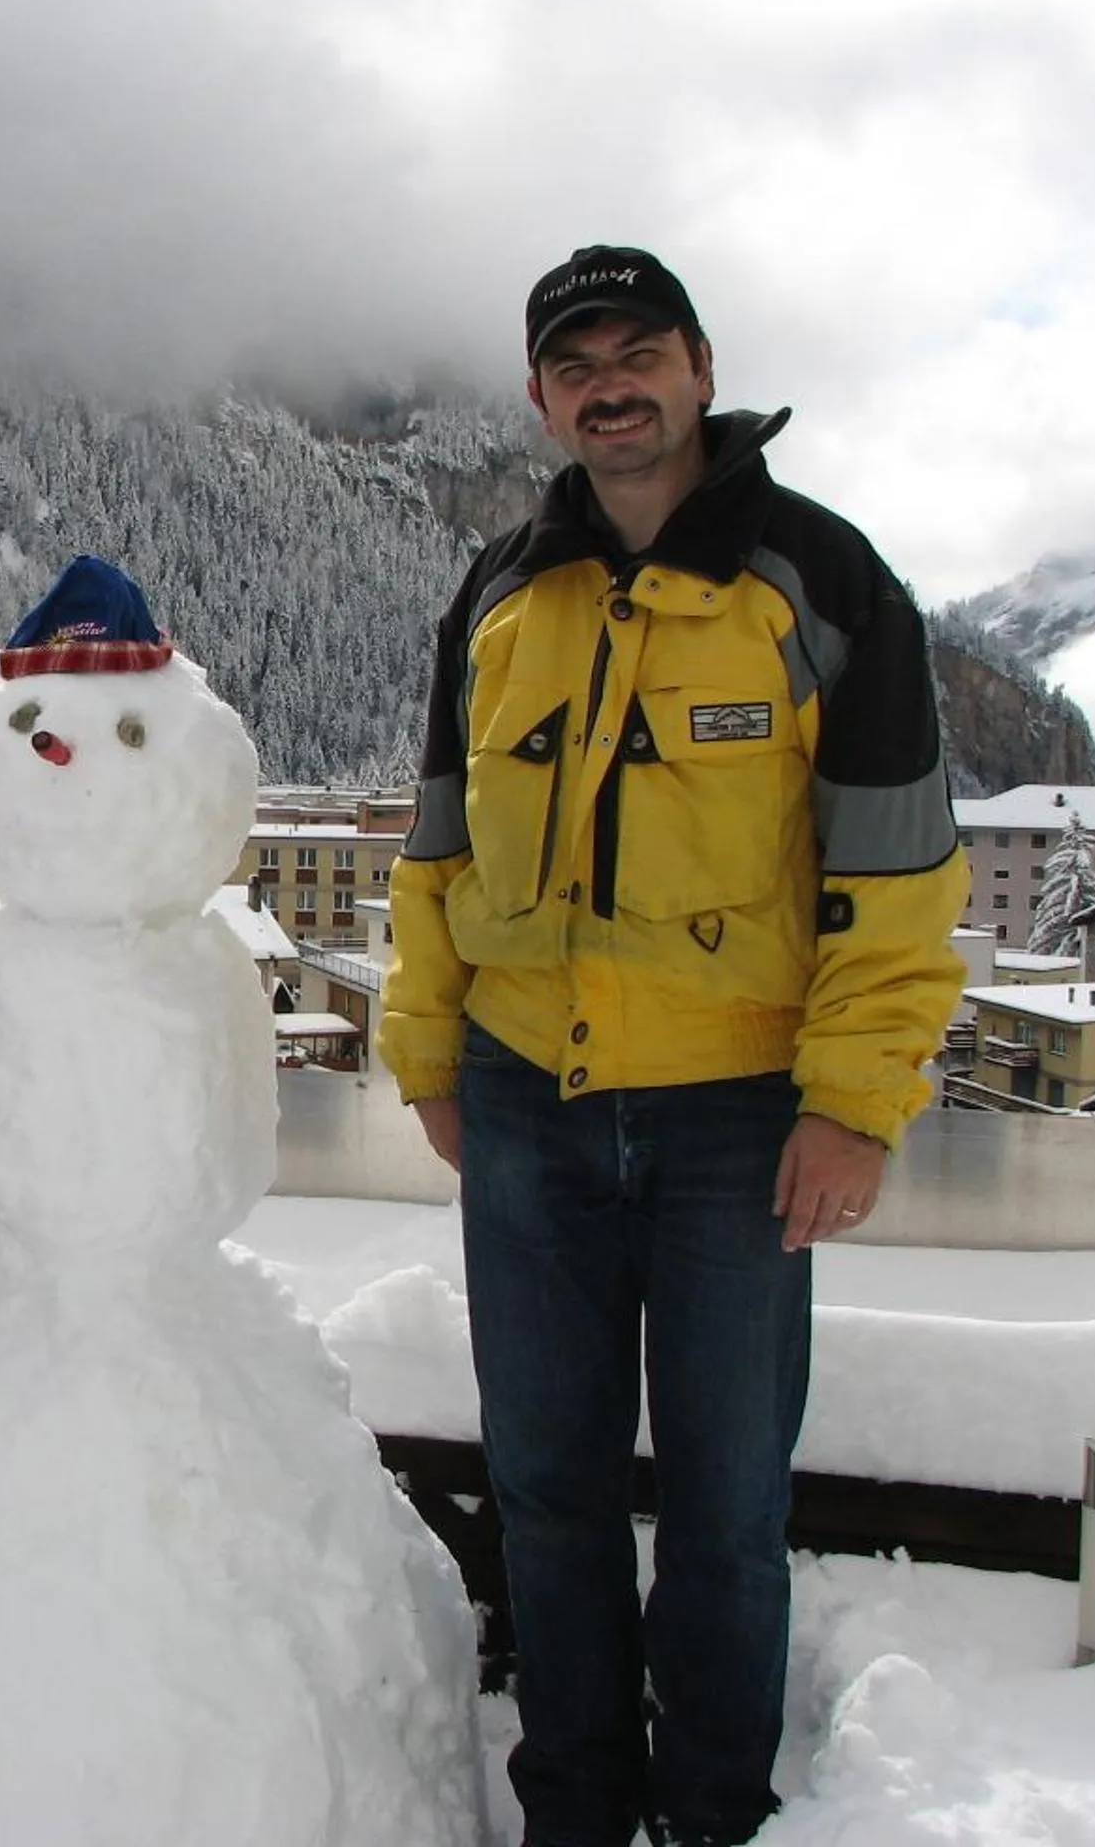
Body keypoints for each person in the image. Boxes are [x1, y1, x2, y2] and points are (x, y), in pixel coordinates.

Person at [379, 246, 967, 1847]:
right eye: (578, 365)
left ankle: (713, 1815)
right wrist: (427, 1053)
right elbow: (438, 847)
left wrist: (853, 1103)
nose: (610, 385)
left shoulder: (823, 580)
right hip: (525, 1102)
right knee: (551, 1490)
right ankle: (574, 1806)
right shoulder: (503, 588)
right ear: (539, 396)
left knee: (722, 1508)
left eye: (639, 352)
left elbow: (898, 876)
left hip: (736, 1113)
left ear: (701, 367)